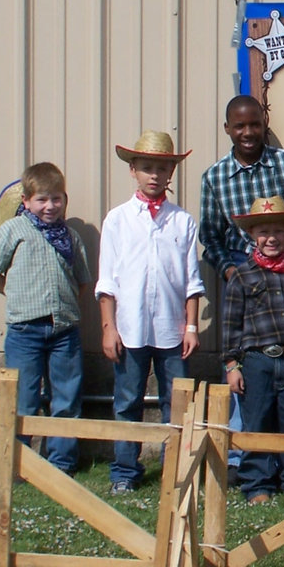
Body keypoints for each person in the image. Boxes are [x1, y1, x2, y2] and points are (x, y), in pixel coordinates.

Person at [97, 132, 204, 494]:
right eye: (147, 168)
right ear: (133, 170)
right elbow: (107, 282)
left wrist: (191, 326)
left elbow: (192, 281)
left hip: (172, 330)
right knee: (127, 400)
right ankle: (124, 471)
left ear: (171, 172)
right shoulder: (118, 220)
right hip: (130, 328)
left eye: (162, 168)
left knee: (176, 403)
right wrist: (108, 327)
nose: (154, 175)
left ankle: (175, 471)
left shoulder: (183, 221)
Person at [0, 162, 91, 475]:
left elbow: (81, 280)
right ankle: (17, 464)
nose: (49, 206)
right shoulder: (14, 231)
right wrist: (15, 295)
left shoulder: (70, 237)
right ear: (26, 201)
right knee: (23, 399)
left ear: (64, 200)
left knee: (66, 399)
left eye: (56, 198)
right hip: (25, 330)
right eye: (42, 199)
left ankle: (61, 464)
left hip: (64, 330)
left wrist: (63, 305)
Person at [221, 197, 284, 504]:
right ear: (252, 235)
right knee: (257, 421)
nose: (271, 238)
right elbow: (231, 325)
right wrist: (231, 364)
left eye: (278, 231)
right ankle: (257, 483)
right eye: (264, 231)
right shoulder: (241, 276)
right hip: (256, 360)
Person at [199, 95, 284, 283]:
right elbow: (210, 236)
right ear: (227, 128)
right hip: (241, 263)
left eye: (255, 124)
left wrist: (282, 253)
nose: (248, 132)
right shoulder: (215, 177)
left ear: (264, 122)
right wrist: (229, 270)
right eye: (239, 126)